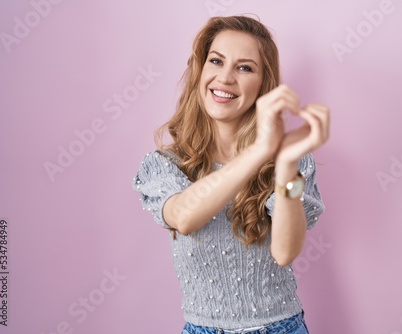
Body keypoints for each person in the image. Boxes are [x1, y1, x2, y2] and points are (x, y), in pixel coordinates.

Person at [133, 15, 330, 334]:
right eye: (216, 61)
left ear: (262, 85)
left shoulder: (288, 159)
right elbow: (184, 217)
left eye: (244, 67)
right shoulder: (165, 164)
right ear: (201, 70)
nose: (225, 78)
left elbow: (285, 251)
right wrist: (259, 151)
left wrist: (285, 164)